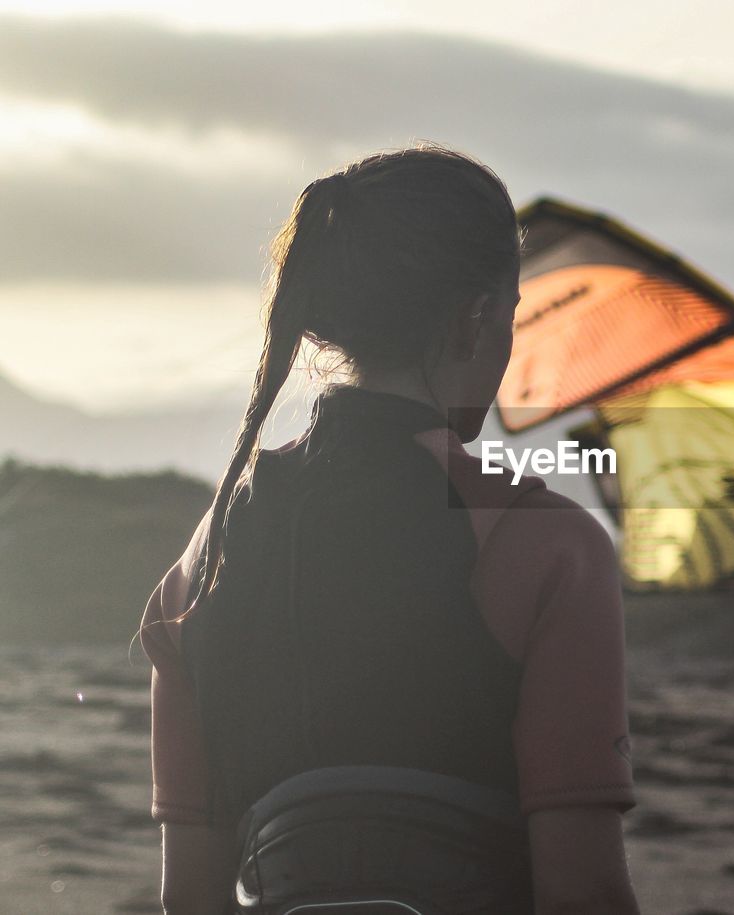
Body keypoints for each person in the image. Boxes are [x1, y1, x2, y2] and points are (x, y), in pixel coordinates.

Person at [138, 146, 640, 914]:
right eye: (511, 316)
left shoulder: (203, 561)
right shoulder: (549, 547)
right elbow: (586, 894)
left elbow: (189, 899)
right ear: (476, 320)